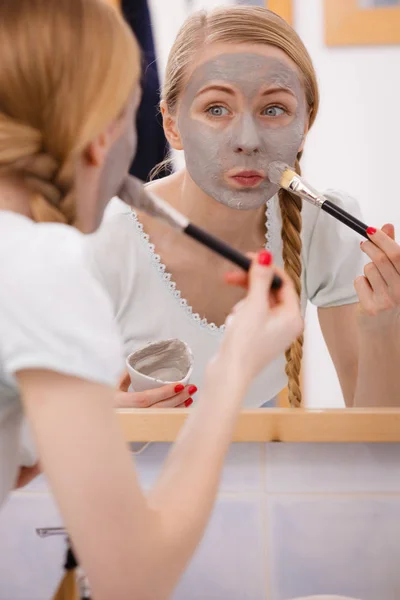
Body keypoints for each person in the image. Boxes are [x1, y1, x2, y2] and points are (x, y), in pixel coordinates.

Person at [0, 1, 303, 598]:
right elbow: (132, 579)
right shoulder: (44, 265)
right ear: (102, 139)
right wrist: (231, 371)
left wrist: (36, 437)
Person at [86, 5, 400, 409]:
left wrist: (383, 326)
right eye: (217, 109)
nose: (247, 140)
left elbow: (371, 443)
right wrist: (99, 417)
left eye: (274, 109)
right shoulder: (102, 244)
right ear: (171, 125)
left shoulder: (323, 228)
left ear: (305, 126)